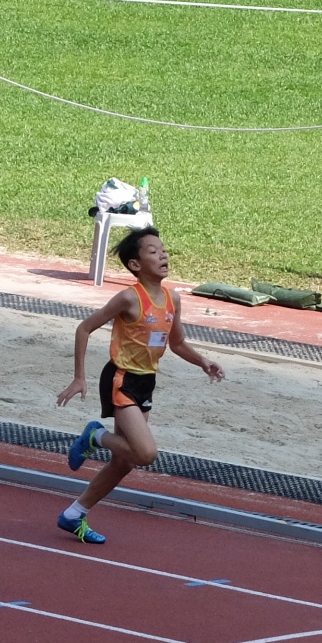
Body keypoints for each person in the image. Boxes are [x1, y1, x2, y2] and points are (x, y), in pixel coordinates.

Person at [53, 226, 222, 543]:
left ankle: (74, 514)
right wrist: (79, 377)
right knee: (145, 454)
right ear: (135, 264)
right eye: (153, 251)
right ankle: (95, 435)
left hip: (146, 381)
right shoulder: (129, 298)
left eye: (163, 249)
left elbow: (177, 343)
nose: (163, 255)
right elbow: (84, 328)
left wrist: (202, 361)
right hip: (121, 378)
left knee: (125, 461)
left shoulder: (172, 299)